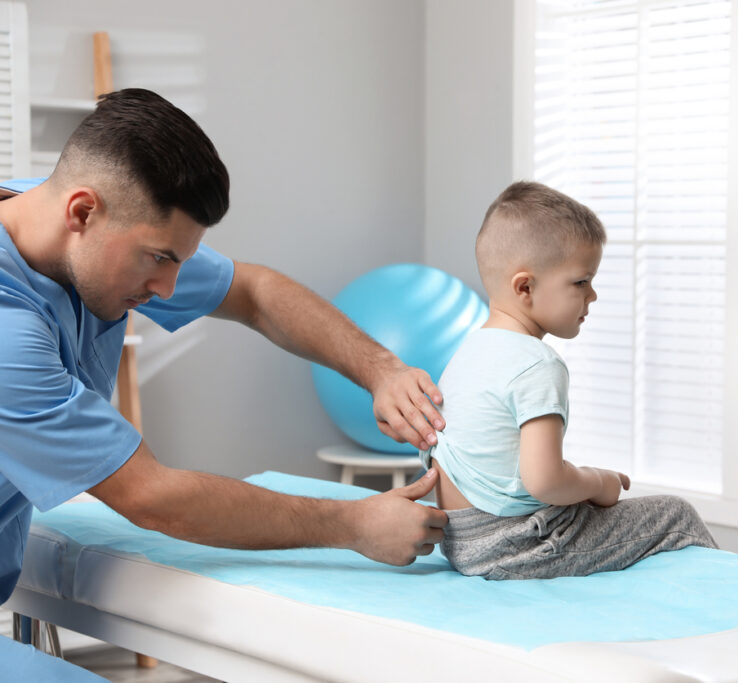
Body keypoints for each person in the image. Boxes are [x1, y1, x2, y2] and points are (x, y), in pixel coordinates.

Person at [0, 89, 450, 672]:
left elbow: (255, 294)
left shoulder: (63, 212)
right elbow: (150, 496)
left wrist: (382, 370)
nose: (167, 290)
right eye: (158, 258)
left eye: (179, 262)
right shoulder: (10, 329)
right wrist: (355, 523)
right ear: (81, 213)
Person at [420, 181, 717, 580]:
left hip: (459, 541)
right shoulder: (536, 363)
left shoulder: (468, 353)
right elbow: (544, 480)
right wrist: (599, 481)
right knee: (676, 515)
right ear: (525, 286)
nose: (592, 295)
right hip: (515, 544)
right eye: (580, 282)